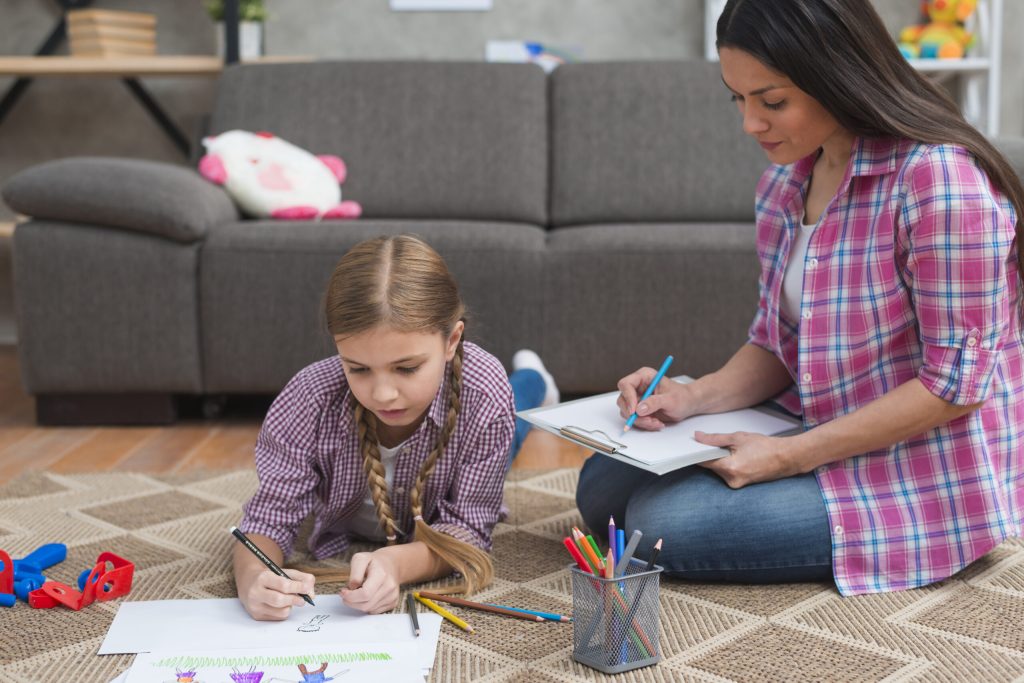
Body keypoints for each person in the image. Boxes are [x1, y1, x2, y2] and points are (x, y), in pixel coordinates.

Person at [576, 0, 1023, 596]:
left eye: (772, 101)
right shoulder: (785, 184)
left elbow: (955, 389)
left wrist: (788, 458)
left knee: (660, 525)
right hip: (816, 416)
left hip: (920, 463)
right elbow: (777, 342)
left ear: (836, 77)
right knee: (601, 487)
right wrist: (691, 396)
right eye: (738, 98)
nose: (749, 124)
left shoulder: (940, 183)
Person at [234, 234, 558, 620]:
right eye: (357, 368)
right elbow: (268, 518)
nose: (384, 394)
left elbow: (470, 527)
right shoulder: (309, 396)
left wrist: (397, 564)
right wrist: (253, 577)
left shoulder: (482, 393)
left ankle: (534, 379)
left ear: (452, 340)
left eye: (406, 368)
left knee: (516, 418)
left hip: (479, 406)